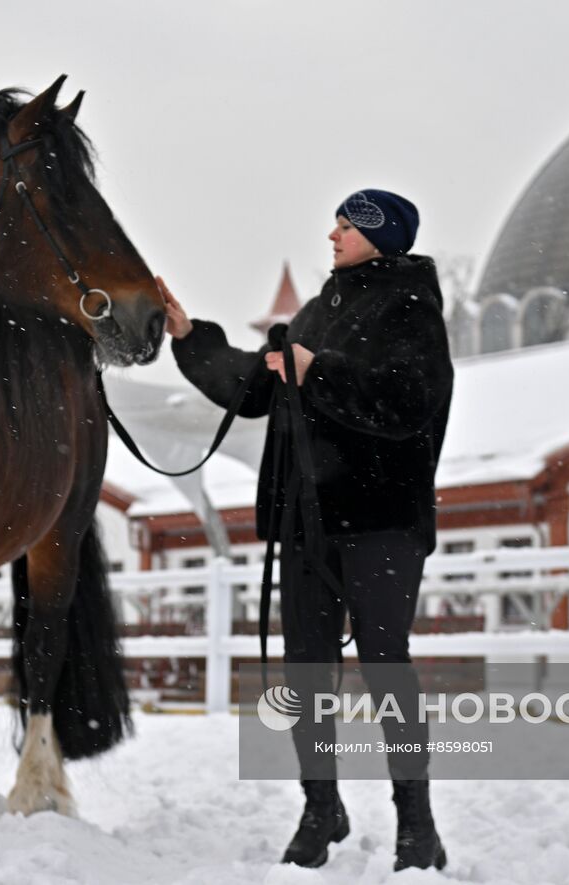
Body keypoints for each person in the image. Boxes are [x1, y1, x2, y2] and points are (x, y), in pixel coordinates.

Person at [157, 189, 454, 872]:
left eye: (348, 225)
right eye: (337, 222)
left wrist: (320, 370)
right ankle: (320, 804)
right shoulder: (322, 309)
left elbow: (409, 401)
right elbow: (257, 389)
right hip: (305, 522)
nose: (333, 234)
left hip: (381, 520)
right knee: (306, 669)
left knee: (386, 666)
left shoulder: (412, 307)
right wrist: (189, 336)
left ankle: (418, 821)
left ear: (384, 236)